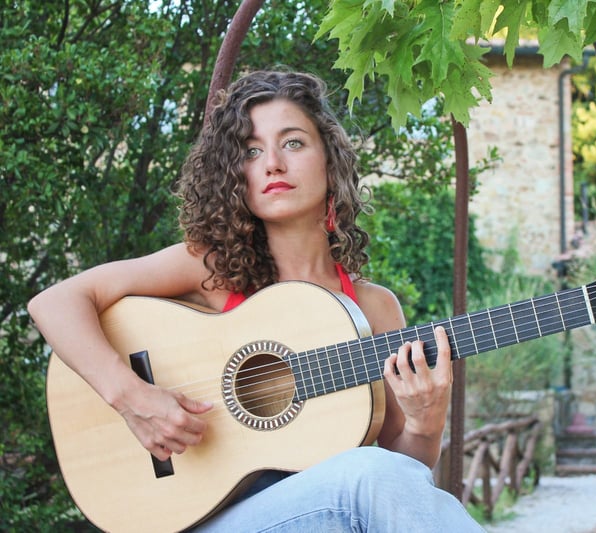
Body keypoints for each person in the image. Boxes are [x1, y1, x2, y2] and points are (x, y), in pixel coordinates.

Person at [28, 70, 484, 532]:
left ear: (330, 162)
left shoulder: (374, 309)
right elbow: (55, 303)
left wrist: (425, 423)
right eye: (250, 150)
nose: (272, 163)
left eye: (292, 143)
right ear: (235, 173)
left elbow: (401, 479)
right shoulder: (211, 269)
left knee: (374, 475)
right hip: (199, 519)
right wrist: (133, 398)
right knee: (365, 477)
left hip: (315, 513)